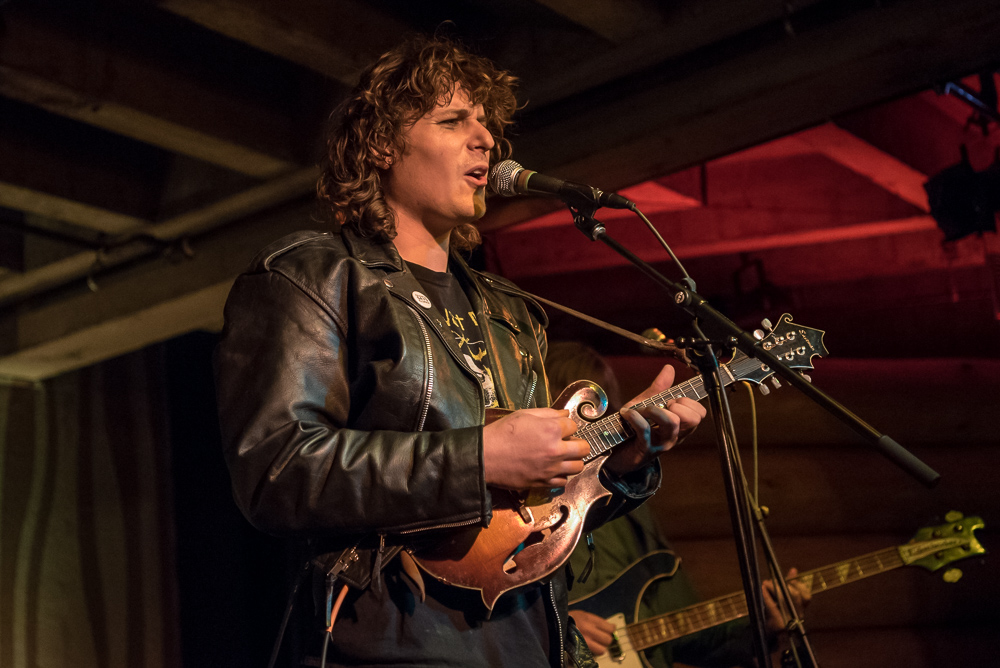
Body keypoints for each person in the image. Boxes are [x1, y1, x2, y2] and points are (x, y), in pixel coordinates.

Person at [213, 36, 706, 668]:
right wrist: (477, 458)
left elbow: (529, 518)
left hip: (535, 643)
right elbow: (277, 470)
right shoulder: (313, 275)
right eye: (453, 121)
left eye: (487, 125)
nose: (487, 141)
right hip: (394, 641)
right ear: (380, 146)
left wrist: (620, 464)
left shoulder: (511, 313)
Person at [545, 341, 810, 668]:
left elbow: (684, 634)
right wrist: (556, 625)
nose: (598, 430)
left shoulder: (631, 503)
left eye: (606, 413)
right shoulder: (522, 503)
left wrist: (761, 624)